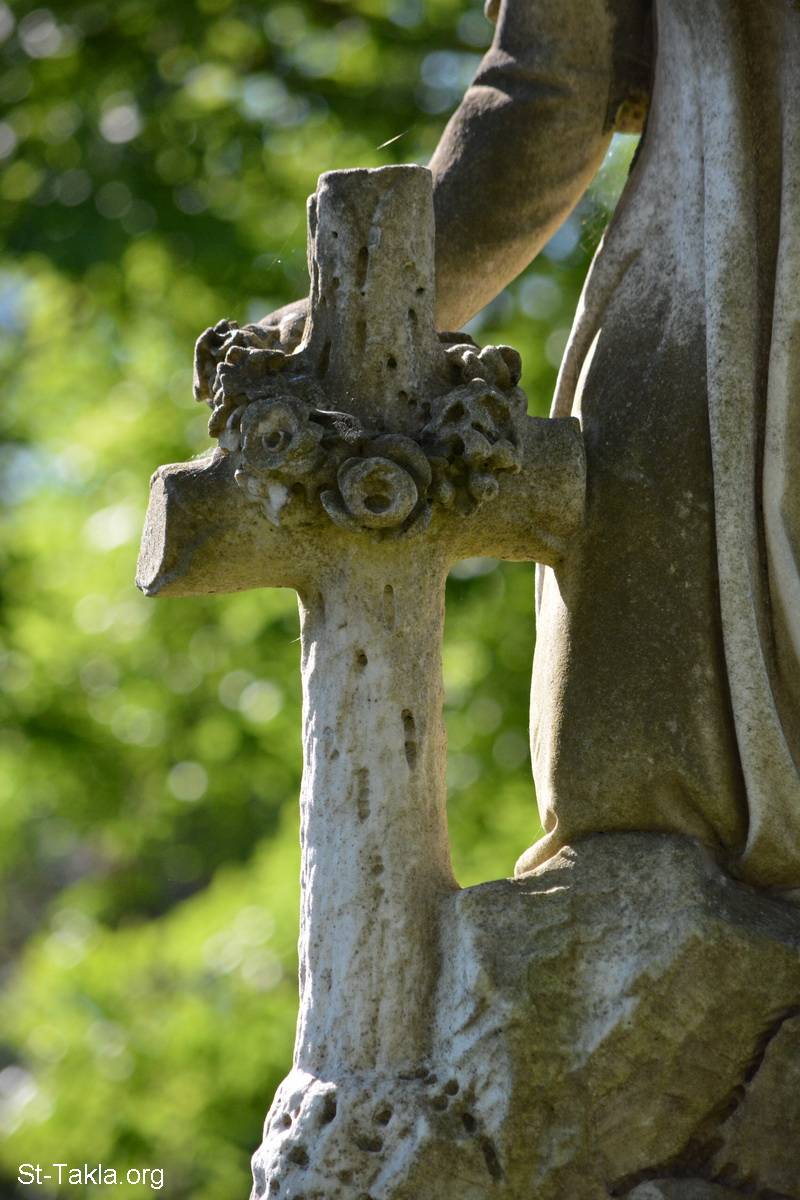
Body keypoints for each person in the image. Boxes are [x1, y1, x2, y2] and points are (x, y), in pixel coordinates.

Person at [255, 0, 800, 890]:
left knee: (651, 820)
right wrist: (360, 318)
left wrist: (350, 320)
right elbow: (548, 84)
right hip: (746, 271)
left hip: (744, 272)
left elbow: (548, 85)